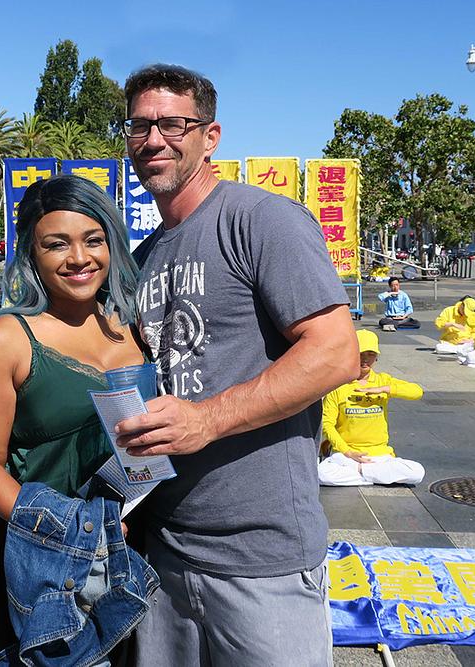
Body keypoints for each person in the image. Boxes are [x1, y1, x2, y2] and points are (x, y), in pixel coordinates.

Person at [112, 65, 358, 666]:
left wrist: (208, 420)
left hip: (261, 557)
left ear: (210, 136)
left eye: (173, 123)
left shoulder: (261, 220)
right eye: (139, 126)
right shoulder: (142, 256)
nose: (154, 140)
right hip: (164, 552)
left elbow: (335, 352)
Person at [0, 175, 148, 654]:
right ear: (31, 255)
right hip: (42, 555)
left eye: (94, 240)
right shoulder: (6, 338)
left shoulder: (133, 326)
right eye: (57, 244)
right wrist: (72, 532)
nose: (80, 258)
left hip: (132, 545)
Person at [319, 330, 425, 486]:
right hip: (347, 455)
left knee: (417, 472)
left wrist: (384, 389)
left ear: (377, 356)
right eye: (360, 353)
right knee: (322, 474)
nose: (365, 359)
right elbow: (327, 424)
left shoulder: (383, 380)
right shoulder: (338, 385)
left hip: (380, 455)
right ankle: (378, 476)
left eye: (370, 354)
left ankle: (362, 473)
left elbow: (417, 392)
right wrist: (347, 450)